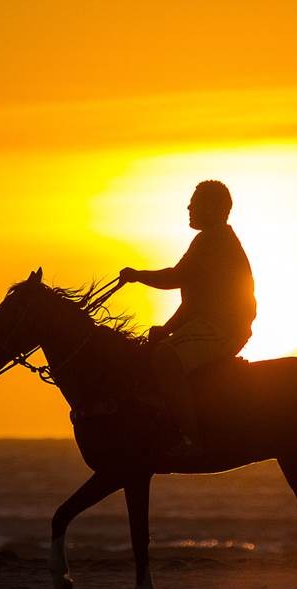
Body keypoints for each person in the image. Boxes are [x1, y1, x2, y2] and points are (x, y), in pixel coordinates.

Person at [119, 180, 256, 457]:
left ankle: (190, 439)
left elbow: (176, 277)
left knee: (165, 357)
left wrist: (137, 276)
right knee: (158, 348)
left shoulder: (213, 239)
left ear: (215, 208)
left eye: (195, 203)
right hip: (210, 325)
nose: (189, 207)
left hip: (224, 328)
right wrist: (166, 329)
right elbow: (194, 303)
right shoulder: (209, 239)